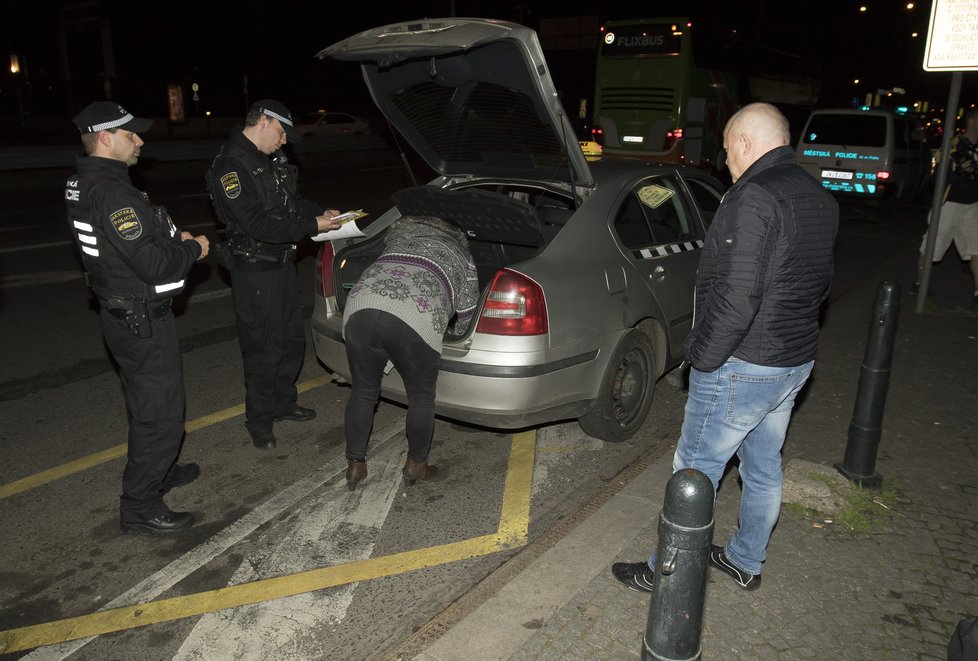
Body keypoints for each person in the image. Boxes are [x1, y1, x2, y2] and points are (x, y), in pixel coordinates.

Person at [612, 103, 839, 592]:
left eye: (728, 149)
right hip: (793, 360)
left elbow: (737, 297)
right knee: (762, 467)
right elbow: (820, 284)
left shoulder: (752, 196)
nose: (726, 160)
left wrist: (702, 359)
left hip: (744, 364)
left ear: (743, 143)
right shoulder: (819, 195)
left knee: (694, 473)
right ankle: (746, 559)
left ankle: (664, 575)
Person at [65, 101, 210, 534]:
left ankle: (159, 471)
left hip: (123, 314)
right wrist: (192, 249)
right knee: (162, 415)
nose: (141, 141)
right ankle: (140, 505)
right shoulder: (111, 191)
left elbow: (126, 245)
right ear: (105, 138)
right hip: (140, 320)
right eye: (132, 134)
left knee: (145, 406)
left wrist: (169, 238)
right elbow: (153, 265)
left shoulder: (85, 181)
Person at [205, 99, 342, 450]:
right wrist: (313, 225)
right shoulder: (231, 167)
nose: (284, 141)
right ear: (264, 121)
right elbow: (257, 224)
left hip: (280, 264)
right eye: (281, 132)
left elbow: (290, 203)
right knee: (263, 347)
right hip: (255, 271)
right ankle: (260, 420)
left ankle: (283, 403)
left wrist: (320, 211)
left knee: (291, 341)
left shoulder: (267, 161)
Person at [341, 215, 480, 490]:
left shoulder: (398, 239)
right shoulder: (463, 255)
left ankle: (355, 465)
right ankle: (417, 465)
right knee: (421, 397)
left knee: (363, 392)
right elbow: (467, 312)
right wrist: (454, 334)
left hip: (359, 307)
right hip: (414, 317)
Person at [914, 108, 978, 305]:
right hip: (949, 204)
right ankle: (920, 285)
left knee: (976, 248)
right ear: (973, 121)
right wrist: (961, 172)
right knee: (932, 246)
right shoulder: (954, 145)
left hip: (973, 204)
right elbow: (938, 177)